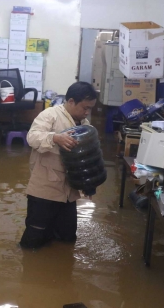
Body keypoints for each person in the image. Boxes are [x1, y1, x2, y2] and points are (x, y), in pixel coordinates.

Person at [20, 82, 99, 249]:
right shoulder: (50, 115)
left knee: (67, 238)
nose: (87, 112)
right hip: (44, 189)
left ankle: (58, 270)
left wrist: (87, 185)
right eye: (84, 107)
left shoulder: (85, 125)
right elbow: (32, 138)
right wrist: (55, 138)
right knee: (34, 238)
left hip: (68, 193)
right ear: (71, 101)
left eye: (90, 109)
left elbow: (87, 160)